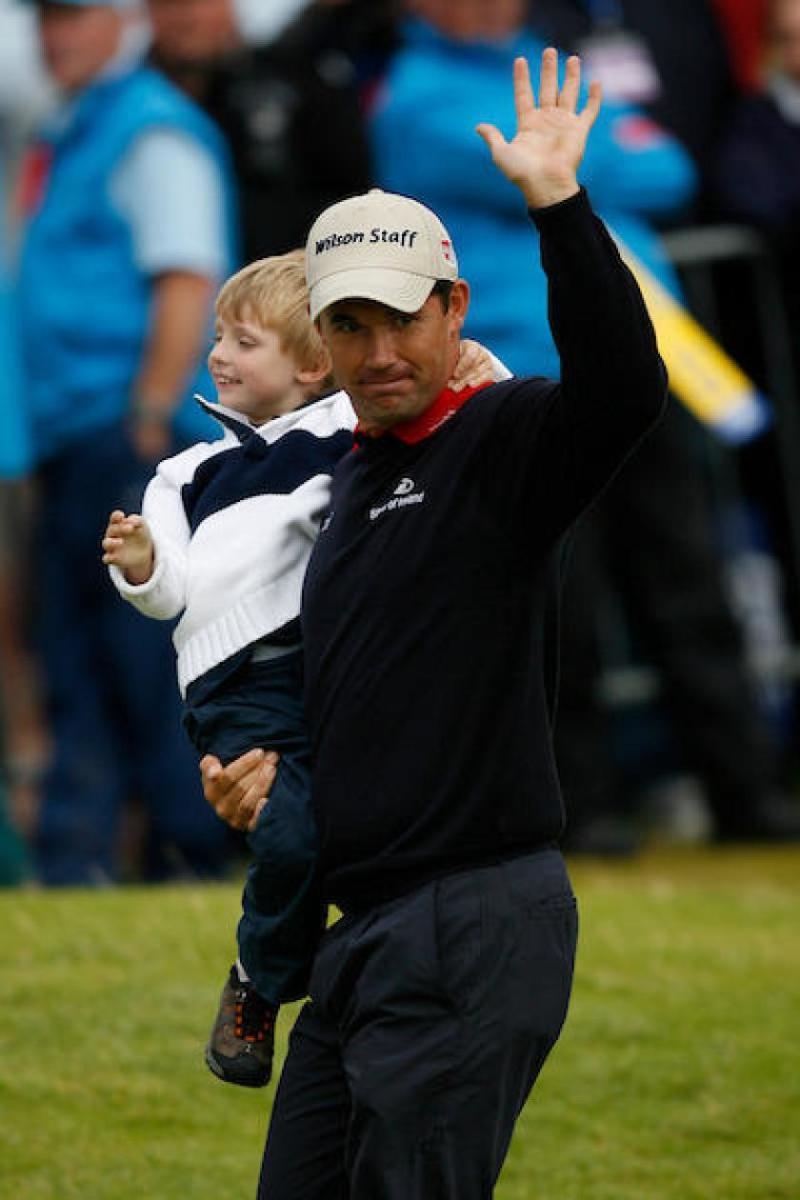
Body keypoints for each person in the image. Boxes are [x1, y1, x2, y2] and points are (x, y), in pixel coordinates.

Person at [201, 49, 667, 1199]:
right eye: (347, 327)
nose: (377, 353)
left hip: (468, 917)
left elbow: (621, 386)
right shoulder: (343, 480)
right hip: (362, 934)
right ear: (319, 340)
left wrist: (557, 204)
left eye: (401, 320)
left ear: (453, 308)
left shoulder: (503, 439)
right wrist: (256, 787)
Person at [371, 0, 800, 850]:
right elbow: (576, 165)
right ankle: (585, 807)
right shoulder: (412, 94)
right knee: (564, 596)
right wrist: (576, 163)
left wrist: (561, 172)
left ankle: (745, 791)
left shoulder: (547, 62)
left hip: (641, 362)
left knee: (688, 579)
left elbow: (669, 168)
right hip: (530, 377)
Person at [102, 250, 499, 1087]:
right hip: (237, 689)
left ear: (313, 363)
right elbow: (168, 593)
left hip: (333, 671)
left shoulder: (345, 432)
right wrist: (138, 562)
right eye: (216, 335)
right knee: (288, 832)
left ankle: (364, 974)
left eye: (243, 341)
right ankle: (258, 979)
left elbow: (459, 432)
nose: (218, 355)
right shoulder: (184, 472)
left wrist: (476, 366)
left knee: (359, 825)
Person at [16, 0, 238, 884]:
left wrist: (148, 414)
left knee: (150, 660)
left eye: (74, 16)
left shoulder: (149, 132)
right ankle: (80, 864)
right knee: (78, 655)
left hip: (129, 438)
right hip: (80, 436)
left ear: (121, 23)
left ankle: (189, 850)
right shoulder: (78, 131)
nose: (54, 35)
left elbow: (187, 280)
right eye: (45, 19)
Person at [145, 0, 376, 263]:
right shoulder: (119, 108)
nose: (187, 19)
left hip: (291, 285)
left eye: (200, 3)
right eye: (168, 5)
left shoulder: (298, 85)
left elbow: (353, 200)